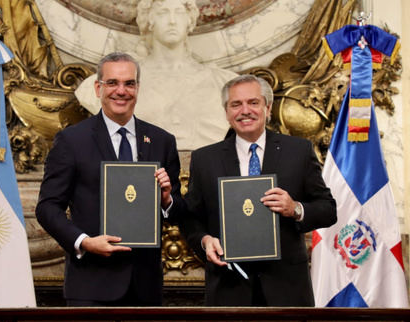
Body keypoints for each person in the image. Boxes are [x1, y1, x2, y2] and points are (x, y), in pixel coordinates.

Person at [36, 52, 184, 306]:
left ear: (137, 88)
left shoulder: (162, 141)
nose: (121, 91)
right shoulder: (72, 141)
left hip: (145, 288)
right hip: (91, 287)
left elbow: (179, 211)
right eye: (112, 83)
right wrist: (84, 242)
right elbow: (47, 207)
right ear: (98, 88)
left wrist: (167, 199)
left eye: (129, 83)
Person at [182, 74, 337, 306]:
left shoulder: (298, 151)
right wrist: (204, 240)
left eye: (253, 103)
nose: (245, 110)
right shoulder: (205, 159)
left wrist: (295, 208)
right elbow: (190, 217)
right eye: (236, 104)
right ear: (227, 112)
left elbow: (328, 209)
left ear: (268, 107)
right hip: (228, 287)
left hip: (286, 289)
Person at [75, 0, 237, 151]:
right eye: (163, 13)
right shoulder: (112, 85)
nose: (172, 20)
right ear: (149, 21)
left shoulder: (222, 82)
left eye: (179, 12)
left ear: (190, 20)